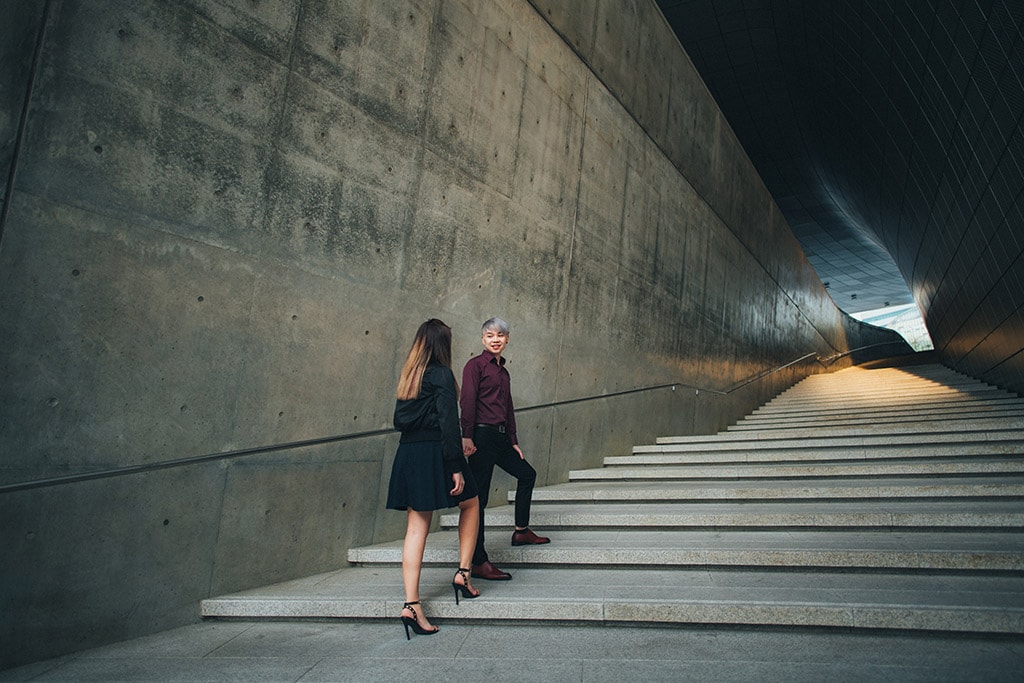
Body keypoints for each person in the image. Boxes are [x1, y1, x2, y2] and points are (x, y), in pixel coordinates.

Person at [387, 319, 481, 639]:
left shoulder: (409, 375)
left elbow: (400, 420)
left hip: (408, 454)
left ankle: (411, 604)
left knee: (416, 527)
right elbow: (448, 422)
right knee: (471, 503)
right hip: (434, 453)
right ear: (444, 344)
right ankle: (463, 574)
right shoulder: (441, 373)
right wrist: (455, 464)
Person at [460, 317, 549, 583]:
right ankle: (478, 561)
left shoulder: (503, 372)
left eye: (500, 335)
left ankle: (521, 531)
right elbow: (466, 402)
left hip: (500, 439)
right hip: (481, 436)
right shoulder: (474, 366)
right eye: (490, 335)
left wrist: (513, 440)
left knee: (527, 474)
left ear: (507, 339)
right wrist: (466, 436)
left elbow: (508, 408)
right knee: (480, 501)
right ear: (482, 339)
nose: (495, 339)